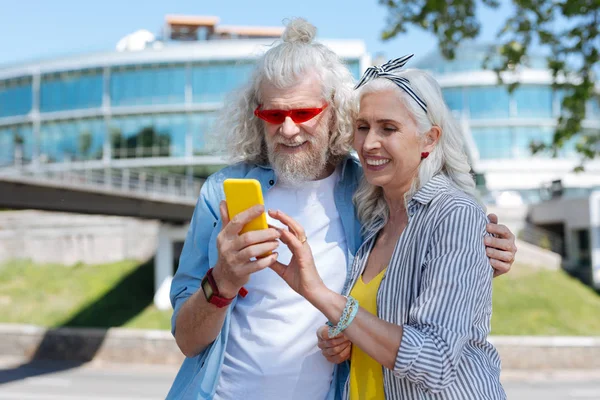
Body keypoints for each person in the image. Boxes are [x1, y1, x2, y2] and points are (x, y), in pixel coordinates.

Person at [167, 19, 516, 400]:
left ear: (335, 112)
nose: (287, 129)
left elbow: (427, 251)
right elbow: (188, 341)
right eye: (273, 115)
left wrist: (482, 252)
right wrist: (223, 280)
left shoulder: (368, 188)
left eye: (303, 113)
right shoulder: (221, 194)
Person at [268, 55, 507, 399]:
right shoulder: (373, 219)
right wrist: (343, 337)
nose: (368, 144)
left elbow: (435, 361)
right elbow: (374, 323)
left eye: (388, 128)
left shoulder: (455, 214)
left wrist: (322, 296)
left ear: (429, 139)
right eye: (362, 127)